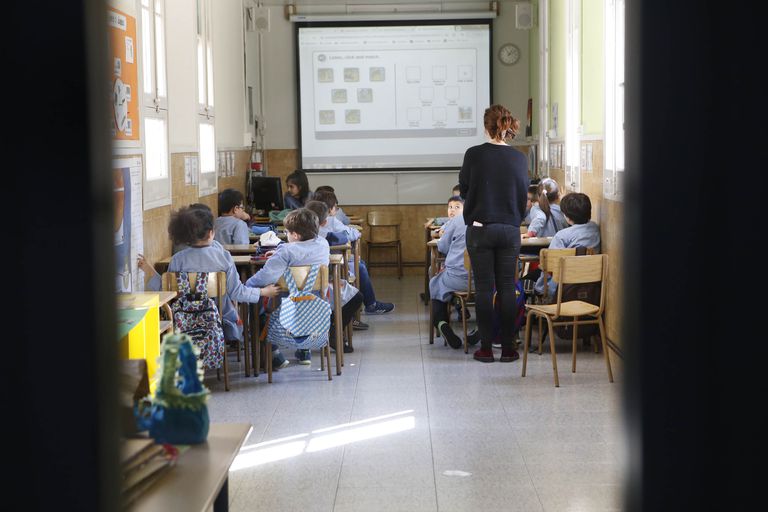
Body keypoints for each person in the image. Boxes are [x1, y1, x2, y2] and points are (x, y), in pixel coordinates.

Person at [138, 206, 286, 368]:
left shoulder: (177, 259)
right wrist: (263, 291)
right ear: (210, 233)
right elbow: (237, 293)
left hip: (183, 320)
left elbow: (167, 291)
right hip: (219, 318)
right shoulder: (223, 257)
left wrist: (149, 271)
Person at [459, 104, 529, 363]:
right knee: (508, 289)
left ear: (486, 126)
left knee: (485, 290)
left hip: (481, 229)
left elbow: (464, 189)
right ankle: (509, 349)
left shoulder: (474, 154)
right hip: (510, 229)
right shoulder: (521, 158)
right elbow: (523, 195)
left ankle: (486, 349)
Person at [245, 208, 330, 365]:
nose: (286, 235)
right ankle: (305, 351)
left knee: (257, 305)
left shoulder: (285, 251)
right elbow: (302, 249)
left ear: (295, 235)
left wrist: (247, 286)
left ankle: (275, 355)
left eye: (288, 232)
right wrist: (279, 252)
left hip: (284, 308)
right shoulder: (323, 244)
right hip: (317, 306)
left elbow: (265, 277)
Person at [311, 189, 395, 315]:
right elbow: (352, 233)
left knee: (358, 263)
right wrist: (356, 233)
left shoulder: (306, 223)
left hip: (310, 272)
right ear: (330, 209)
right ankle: (371, 304)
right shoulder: (332, 221)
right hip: (335, 267)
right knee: (360, 264)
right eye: (336, 207)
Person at [304, 200, 364, 350]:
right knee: (355, 296)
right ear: (325, 222)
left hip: (292, 294)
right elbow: (348, 236)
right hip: (320, 289)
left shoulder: (287, 244)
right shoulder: (328, 238)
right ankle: (334, 330)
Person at [429, 196, 479, 349]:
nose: (453, 210)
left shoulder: (457, 221)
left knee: (435, 283)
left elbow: (443, 247)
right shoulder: (488, 219)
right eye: (451, 207)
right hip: (484, 281)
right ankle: (483, 327)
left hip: (456, 278)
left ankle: (442, 323)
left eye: (457, 207)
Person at [534, 192, 601, 299]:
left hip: (561, 292)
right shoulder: (595, 229)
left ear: (567, 217)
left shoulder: (561, 236)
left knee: (532, 280)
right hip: (591, 291)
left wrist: (540, 288)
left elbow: (550, 268)